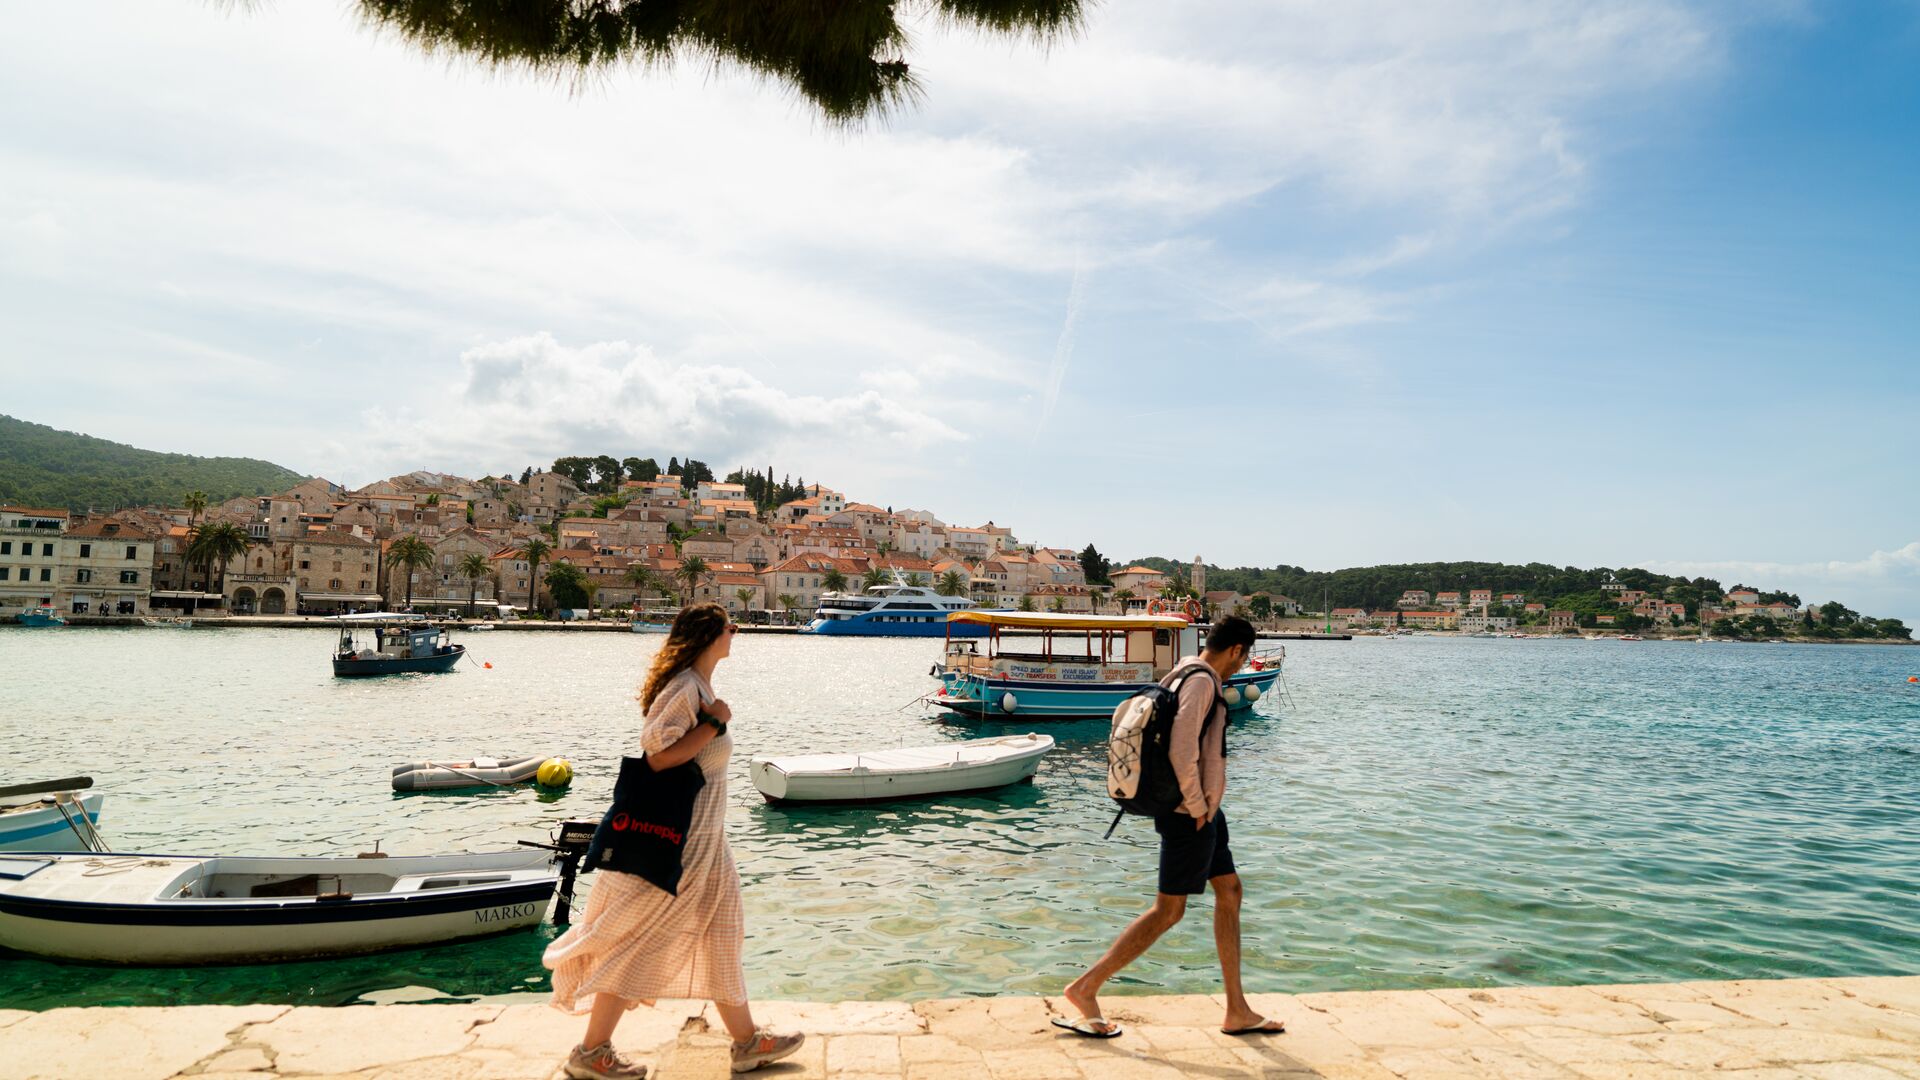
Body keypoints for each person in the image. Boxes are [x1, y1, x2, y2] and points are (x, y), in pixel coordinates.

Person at [544, 603, 803, 1079]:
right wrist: (714, 723)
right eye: (732, 627)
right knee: (641, 941)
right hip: (679, 846)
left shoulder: (699, 687)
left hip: (706, 845)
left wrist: (712, 719)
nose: (737, 633)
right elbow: (658, 754)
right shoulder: (686, 688)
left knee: (723, 938)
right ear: (709, 636)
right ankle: (591, 1050)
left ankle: (746, 1043)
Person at [1057, 615, 1286, 1040]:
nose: (1243, 664)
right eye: (1244, 655)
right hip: (1189, 813)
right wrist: (1198, 806)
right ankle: (1085, 988)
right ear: (1236, 649)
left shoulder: (1181, 671)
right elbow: (1183, 748)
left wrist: (1207, 808)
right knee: (1169, 911)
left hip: (1203, 811)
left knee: (1230, 892)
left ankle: (1237, 1009)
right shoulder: (1201, 682)